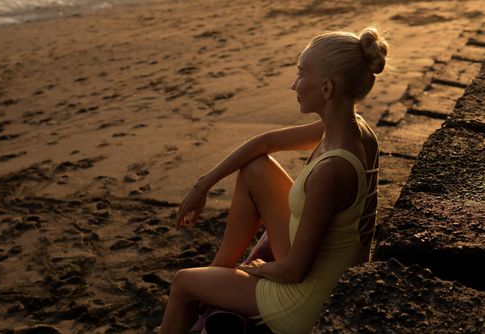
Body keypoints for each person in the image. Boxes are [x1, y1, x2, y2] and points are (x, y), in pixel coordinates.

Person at [159, 26, 388, 334]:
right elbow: (264, 144)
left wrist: (255, 270)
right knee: (256, 168)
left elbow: (294, 271)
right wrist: (204, 184)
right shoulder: (352, 127)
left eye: (301, 74)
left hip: (308, 300)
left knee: (183, 282)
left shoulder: (333, 169)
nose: (294, 84)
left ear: (326, 88)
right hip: (329, 269)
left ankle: (212, 283)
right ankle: (218, 273)